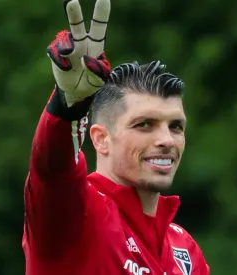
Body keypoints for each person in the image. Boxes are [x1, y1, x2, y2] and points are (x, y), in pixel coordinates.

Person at [22, 0, 210, 274]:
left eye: (176, 127)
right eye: (145, 124)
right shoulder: (75, 212)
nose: (167, 140)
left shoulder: (185, 249)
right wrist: (68, 106)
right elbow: (52, 169)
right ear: (100, 139)